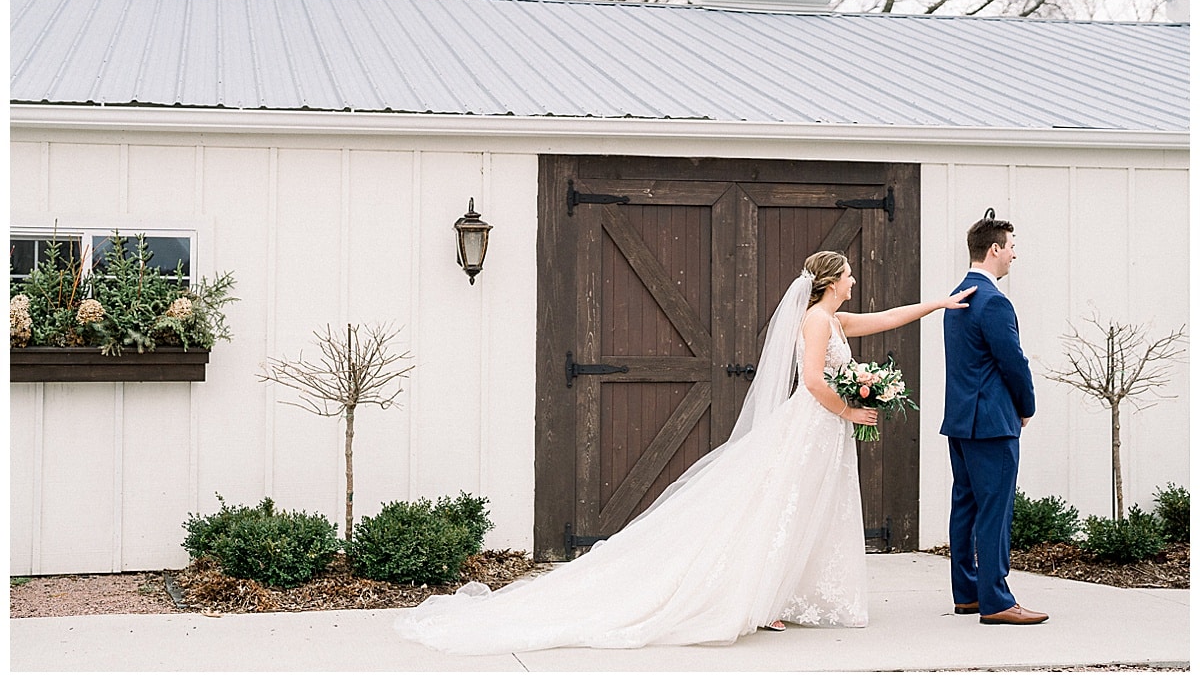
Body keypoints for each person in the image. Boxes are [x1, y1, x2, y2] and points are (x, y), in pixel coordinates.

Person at [395, 251, 973, 654]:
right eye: (849, 274)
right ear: (831, 282)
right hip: (813, 427)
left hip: (823, 433)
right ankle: (759, 596)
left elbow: (883, 318)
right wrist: (853, 408)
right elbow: (817, 385)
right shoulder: (817, 321)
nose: (855, 280)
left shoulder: (828, 316)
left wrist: (937, 306)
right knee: (783, 508)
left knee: (805, 512)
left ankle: (776, 592)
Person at [941, 210, 1046, 626]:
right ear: (995, 248)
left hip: (961, 420)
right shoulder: (993, 300)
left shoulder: (957, 297)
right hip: (992, 423)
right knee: (995, 511)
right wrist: (1027, 407)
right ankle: (997, 600)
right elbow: (1013, 363)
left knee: (965, 506)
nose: (1014, 256)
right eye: (1012, 247)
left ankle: (967, 594)